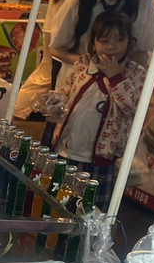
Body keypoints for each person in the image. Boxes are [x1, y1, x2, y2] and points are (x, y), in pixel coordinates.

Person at [52, 11, 145, 212]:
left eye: (119, 40)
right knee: (60, 208)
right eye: (104, 40)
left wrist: (115, 78)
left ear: (130, 42)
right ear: (93, 43)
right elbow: (66, 93)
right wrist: (55, 105)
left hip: (100, 161)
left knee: (93, 215)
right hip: (66, 152)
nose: (111, 46)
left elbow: (134, 106)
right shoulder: (83, 66)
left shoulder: (135, 73)